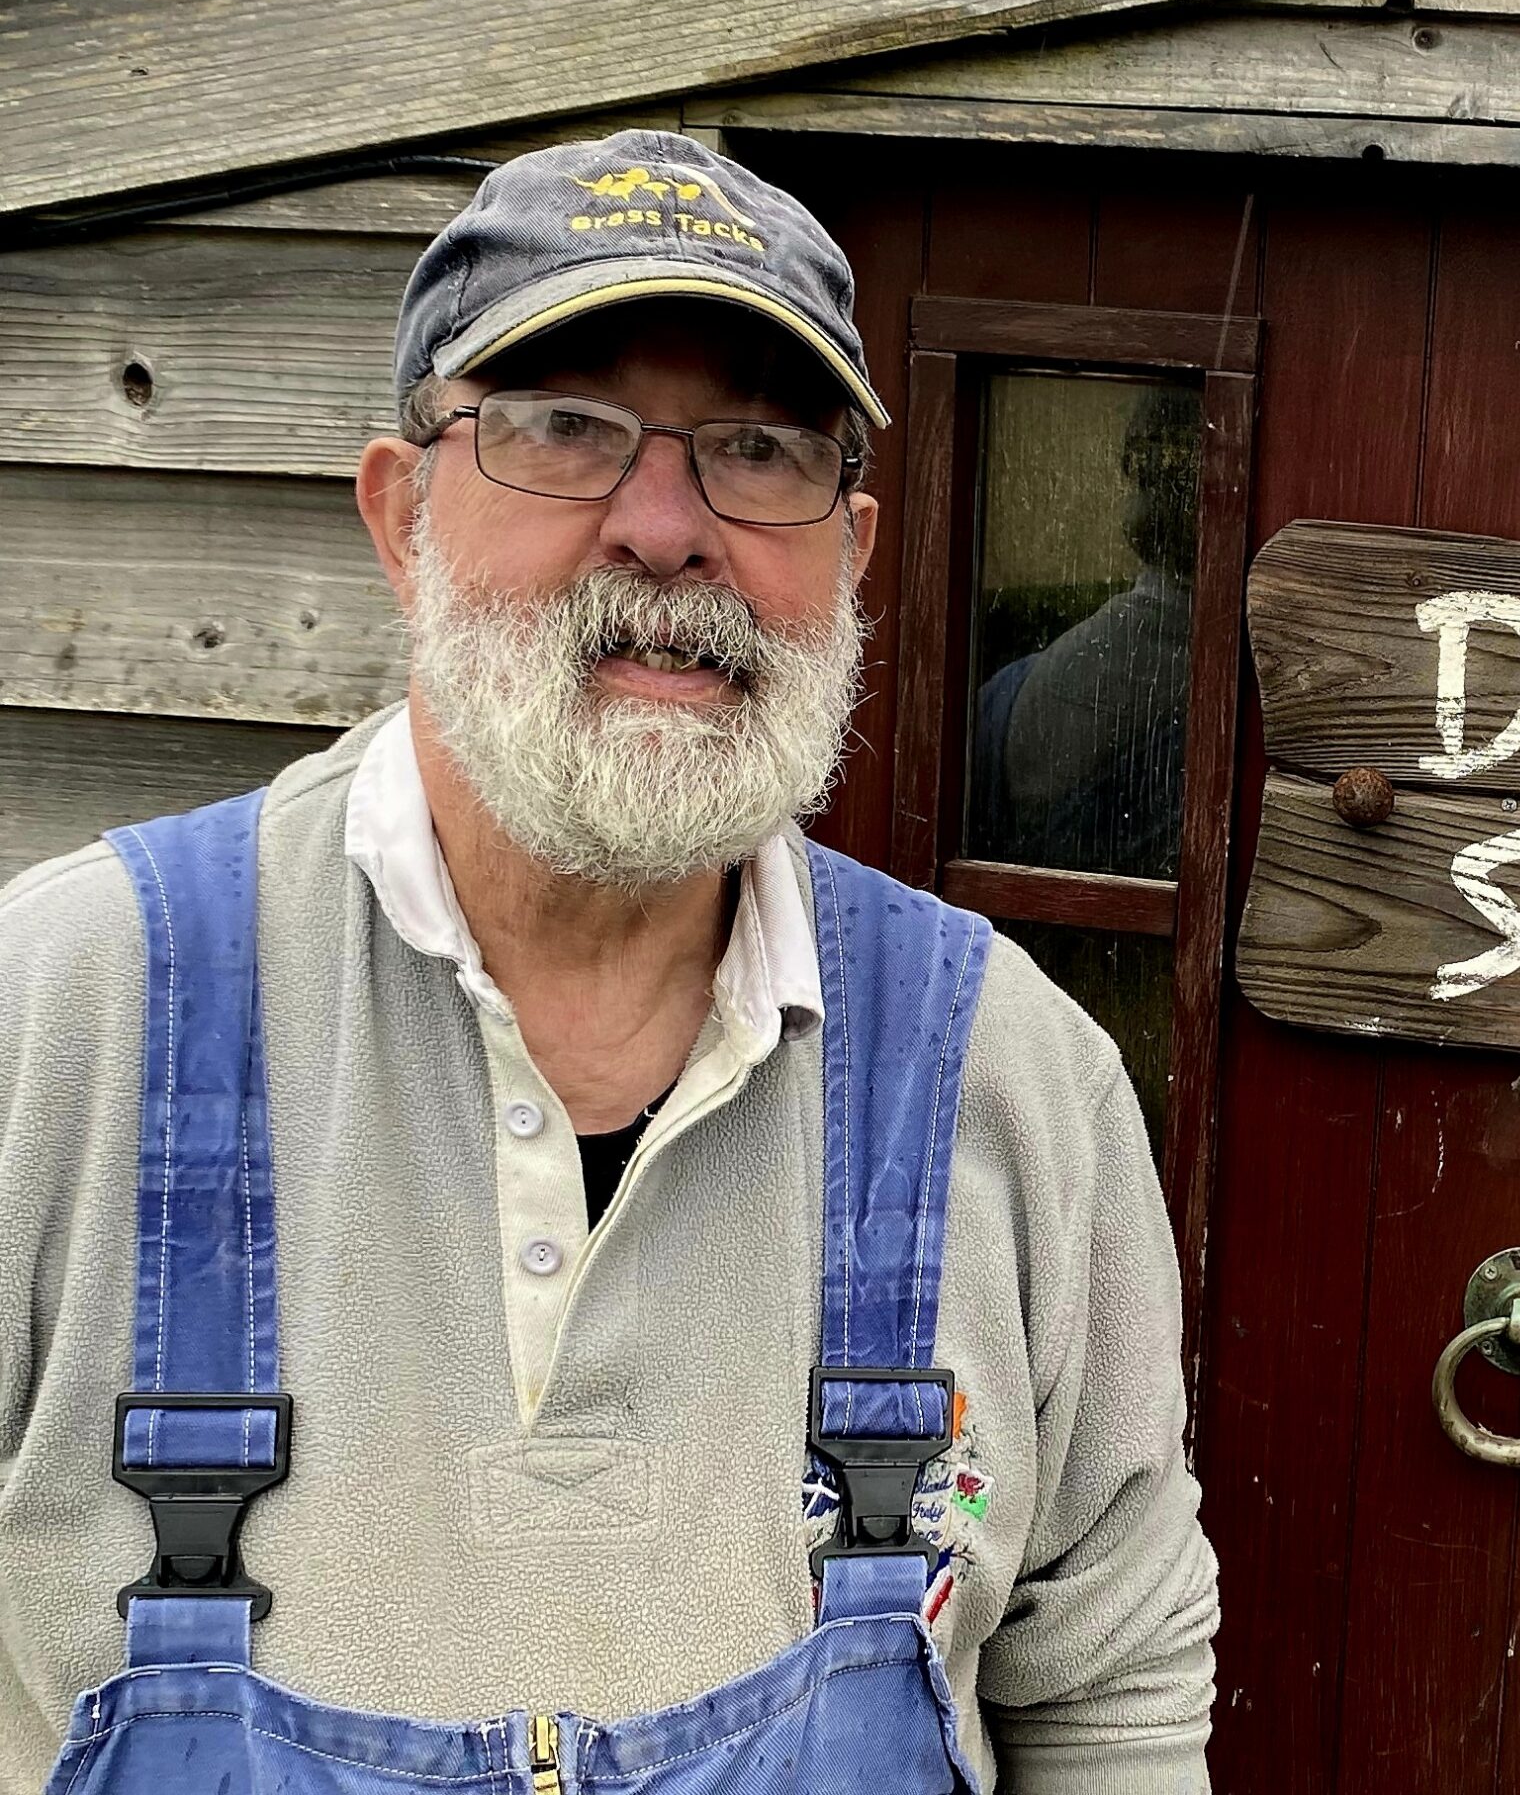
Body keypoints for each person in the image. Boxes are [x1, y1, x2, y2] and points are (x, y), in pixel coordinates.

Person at [0, 130, 1217, 1793]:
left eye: (761, 449)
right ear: (400, 515)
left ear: (852, 553)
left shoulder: (1017, 1085)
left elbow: (1114, 1695)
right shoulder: (59, 1016)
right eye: (565, 427)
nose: (666, 528)